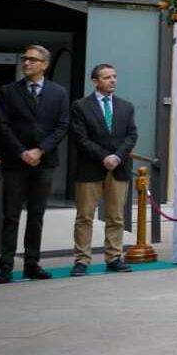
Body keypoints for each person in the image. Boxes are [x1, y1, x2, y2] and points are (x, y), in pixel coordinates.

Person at [0, 45, 70, 283]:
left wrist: (41, 150)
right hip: (16, 162)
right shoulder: (7, 91)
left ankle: (32, 263)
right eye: (25, 59)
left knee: (36, 215)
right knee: (11, 215)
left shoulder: (58, 93)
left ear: (45, 65)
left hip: (44, 162)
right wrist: (22, 152)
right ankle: (5, 267)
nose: (27, 63)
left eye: (33, 60)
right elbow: (2, 125)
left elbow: (62, 126)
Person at [67, 63, 139, 276]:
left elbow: (132, 135)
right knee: (84, 217)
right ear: (95, 81)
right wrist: (103, 156)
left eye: (114, 76)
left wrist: (117, 156)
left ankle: (114, 257)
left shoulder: (126, 106)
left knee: (116, 217)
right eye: (107, 77)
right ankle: (82, 260)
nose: (113, 80)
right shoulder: (80, 106)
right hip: (90, 169)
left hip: (118, 169)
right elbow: (80, 138)